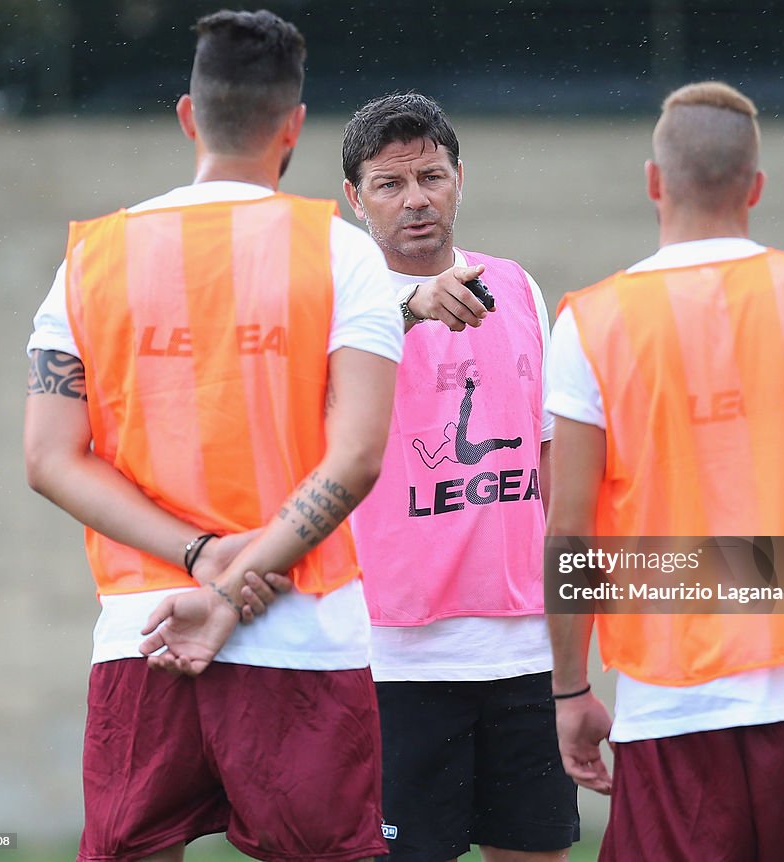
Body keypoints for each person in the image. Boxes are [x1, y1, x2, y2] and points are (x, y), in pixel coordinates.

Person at [23, 10, 401, 862]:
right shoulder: (342, 254)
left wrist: (200, 557)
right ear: (295, 126)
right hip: (303, 631)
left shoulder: (92, 258)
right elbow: (360, 454)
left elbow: (49, 458)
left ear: (190, 115)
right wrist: (239, 583)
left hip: (144, 630)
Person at [545, 81, 784, 861]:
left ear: (653, 181)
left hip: (672, 704)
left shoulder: (591, 323)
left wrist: (570, 690)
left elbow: (570, 530)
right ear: (756, 187)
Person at [337, 92, 579, 862]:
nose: (415, 200)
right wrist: (407, 306)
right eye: (389, 184)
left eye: (431, 177)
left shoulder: (519, 288)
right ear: (354, 198)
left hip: (523, 651)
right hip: (395, 656)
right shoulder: (338, 305)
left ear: (459, 179)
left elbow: (549, 470)